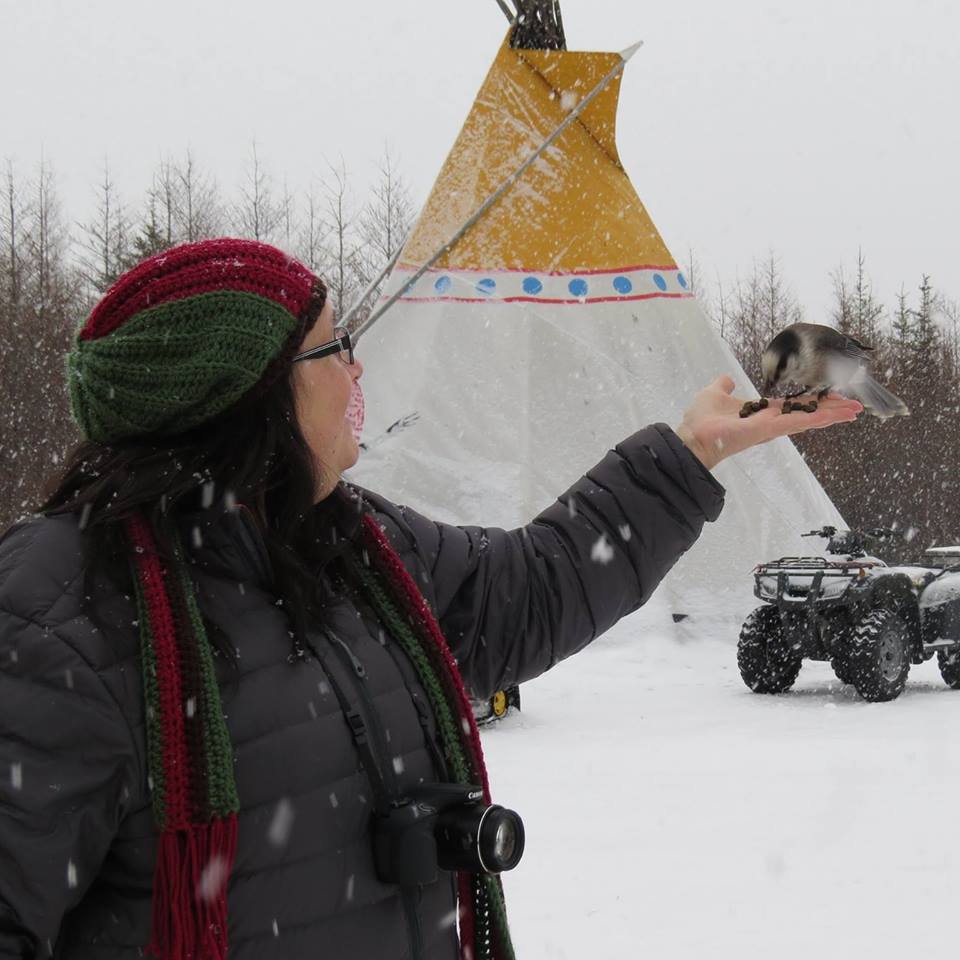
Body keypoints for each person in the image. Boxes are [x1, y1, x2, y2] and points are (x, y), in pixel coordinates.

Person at [0, 239, 861, 960]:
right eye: (331, 350)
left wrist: (688, 454)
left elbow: (523, 591)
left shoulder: (341, 543)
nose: (355, 369)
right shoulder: (55, 621)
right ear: (250, 396)